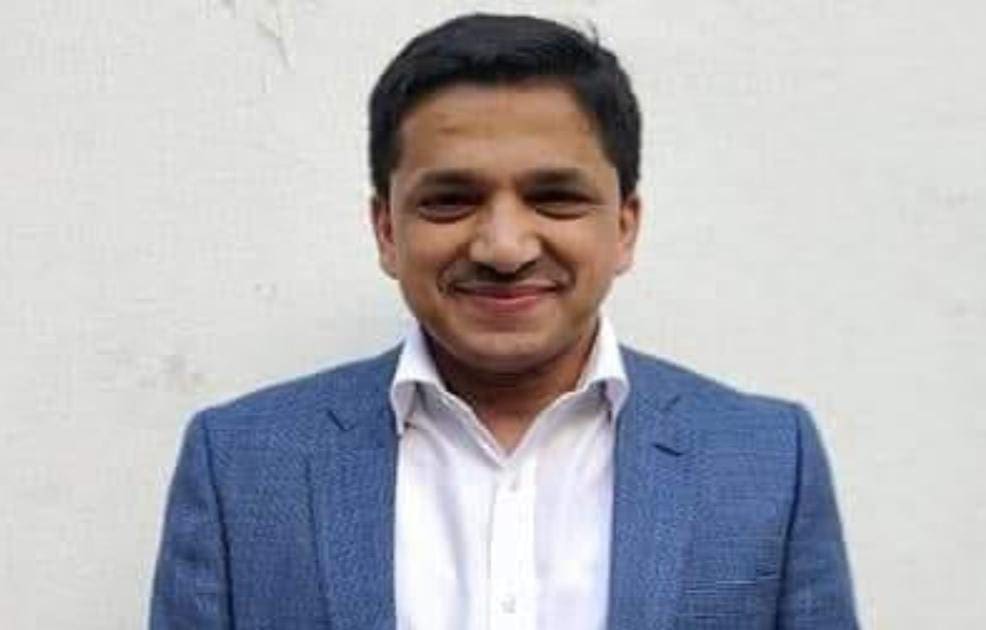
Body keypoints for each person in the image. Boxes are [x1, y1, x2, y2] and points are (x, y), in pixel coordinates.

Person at [149, 13, 858, 630]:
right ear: (386, 231)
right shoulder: (242, 465)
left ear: (625, 227)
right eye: (450, 201)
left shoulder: (767, 461)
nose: (504, 248)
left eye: (555, 198)